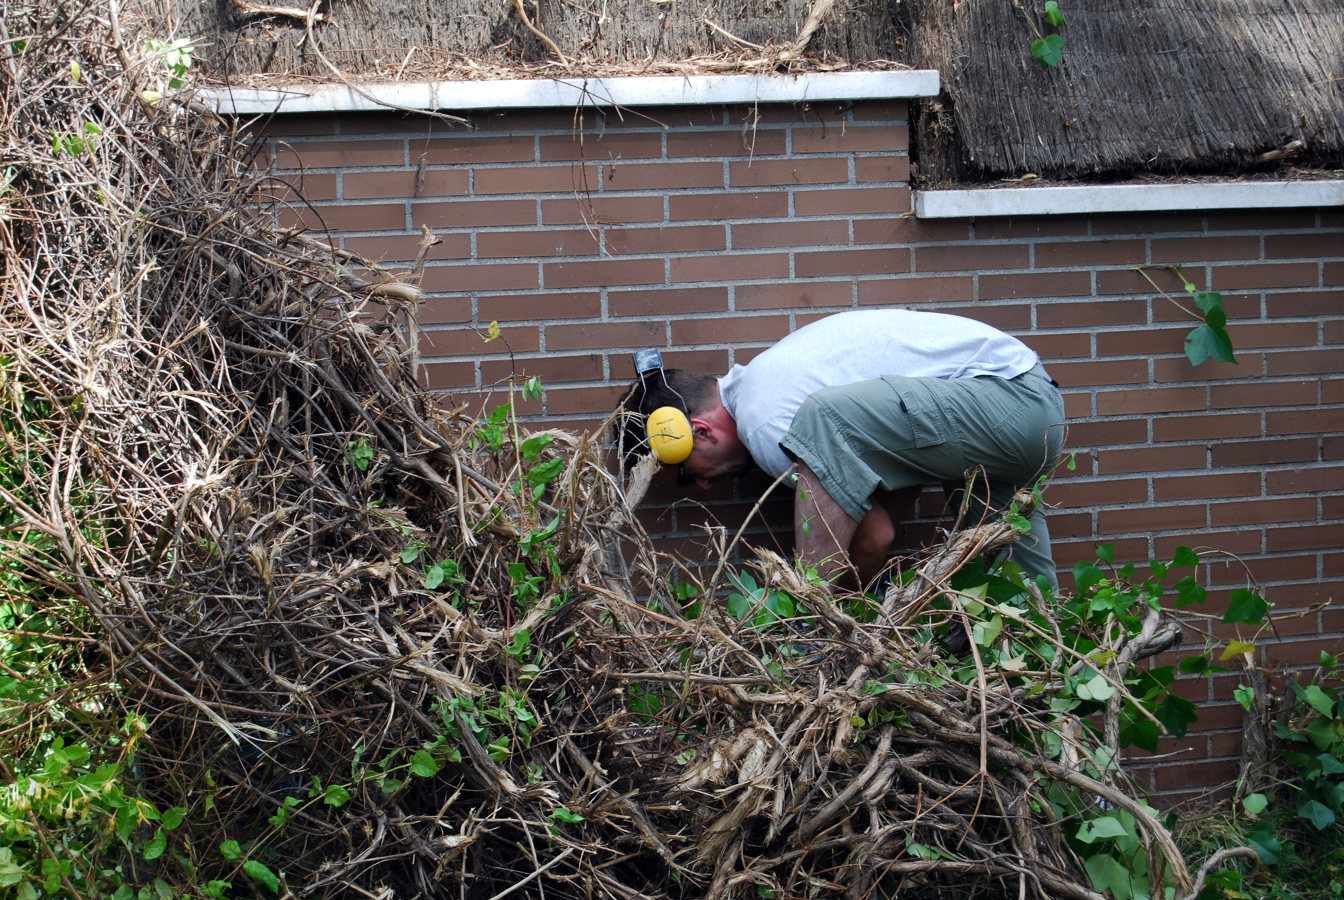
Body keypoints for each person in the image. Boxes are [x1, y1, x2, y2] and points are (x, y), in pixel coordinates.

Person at [619, 309, 1066, 590]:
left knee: (823, 420)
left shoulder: (765, 422)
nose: (700, 483)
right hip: (1018, 411)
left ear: (700, 431)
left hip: (1005, 401)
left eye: (684, 471)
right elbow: (884, 513)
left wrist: (843, 617)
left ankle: (811, 623)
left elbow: (875, 538)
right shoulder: (769, 383)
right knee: (1021, 594)